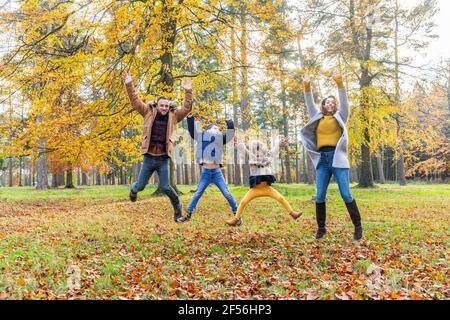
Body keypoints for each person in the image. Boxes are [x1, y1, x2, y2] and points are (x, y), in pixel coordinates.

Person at [300, 71, 363, 240]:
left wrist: (340, 83)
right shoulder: (317, 116)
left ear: (335, 106)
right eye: (327, 102)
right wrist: (307, 85)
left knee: (346, 194)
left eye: (333, 102)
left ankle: (358, 226)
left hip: (338, 159)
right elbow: (309, 103)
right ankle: (321, 228)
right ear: (323, 105)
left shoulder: (341, 116)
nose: (330, 104)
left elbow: (345, 102)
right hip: (322, 160)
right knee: (320, 195)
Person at [122, 72, 193, 223]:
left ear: (169, 106)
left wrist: (188, 91)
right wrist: (129, 84)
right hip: (148, 158)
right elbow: (135, 101)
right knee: (140, 186)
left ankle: (178, 209)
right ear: (157, 104)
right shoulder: (147, 111)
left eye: (166, 106)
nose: (164, 108)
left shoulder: (174, 116)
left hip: (163, 159)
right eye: (162, 105)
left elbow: (186, 109)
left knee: (166, 187)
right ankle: (133, 189)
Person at [226, 136, 301, 226]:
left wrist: (281, 142)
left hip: (267, 188)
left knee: (281, 198)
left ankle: (293, 213)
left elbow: (275, 149)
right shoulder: (251, 158)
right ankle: (236, 219)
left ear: (264, 153)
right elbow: (244, 150)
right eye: (257, 155)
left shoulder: (267, 158)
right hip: (255, 190)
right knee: (243, 202)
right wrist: (239, 143)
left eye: (260, 154)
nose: (259, 156)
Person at [184, 114, 238, 219]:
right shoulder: (202, 136)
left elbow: (230, 136)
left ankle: (237, 213)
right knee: (198, 193)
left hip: (217, 172)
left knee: (227, 193)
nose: (217, 130)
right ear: (208, 130)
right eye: (215, 128)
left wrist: (230, 122)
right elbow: (192, 133)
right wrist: (190, 119)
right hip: (206, 172)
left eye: (218, 129)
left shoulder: (220, 139)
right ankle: (188, 214)